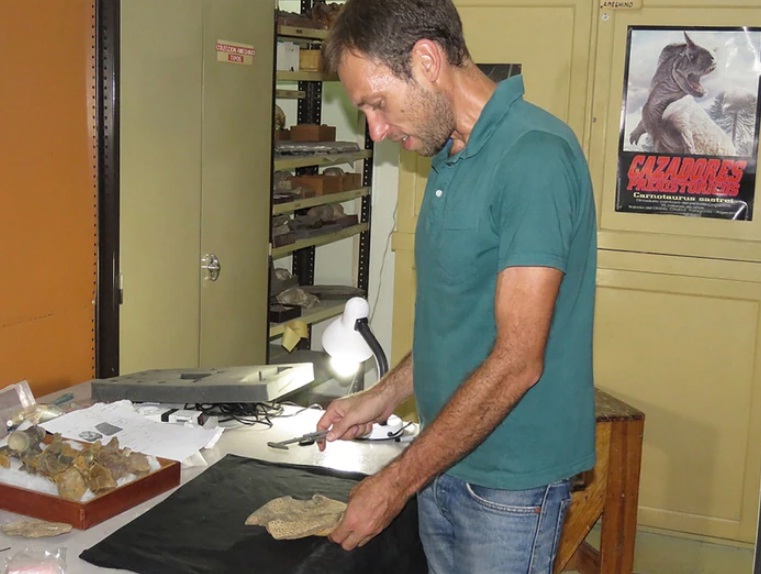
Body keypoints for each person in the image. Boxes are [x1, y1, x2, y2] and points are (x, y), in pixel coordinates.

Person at [315, 0, 598, 571]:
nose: (376, 130)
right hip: (441, 458)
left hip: (507, 485)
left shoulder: (534, 157)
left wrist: (395, 483)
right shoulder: (449, 156)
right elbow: (458, 330)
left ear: (426, 61)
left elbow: (517, 361)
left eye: (377, 104)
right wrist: (380, 396)